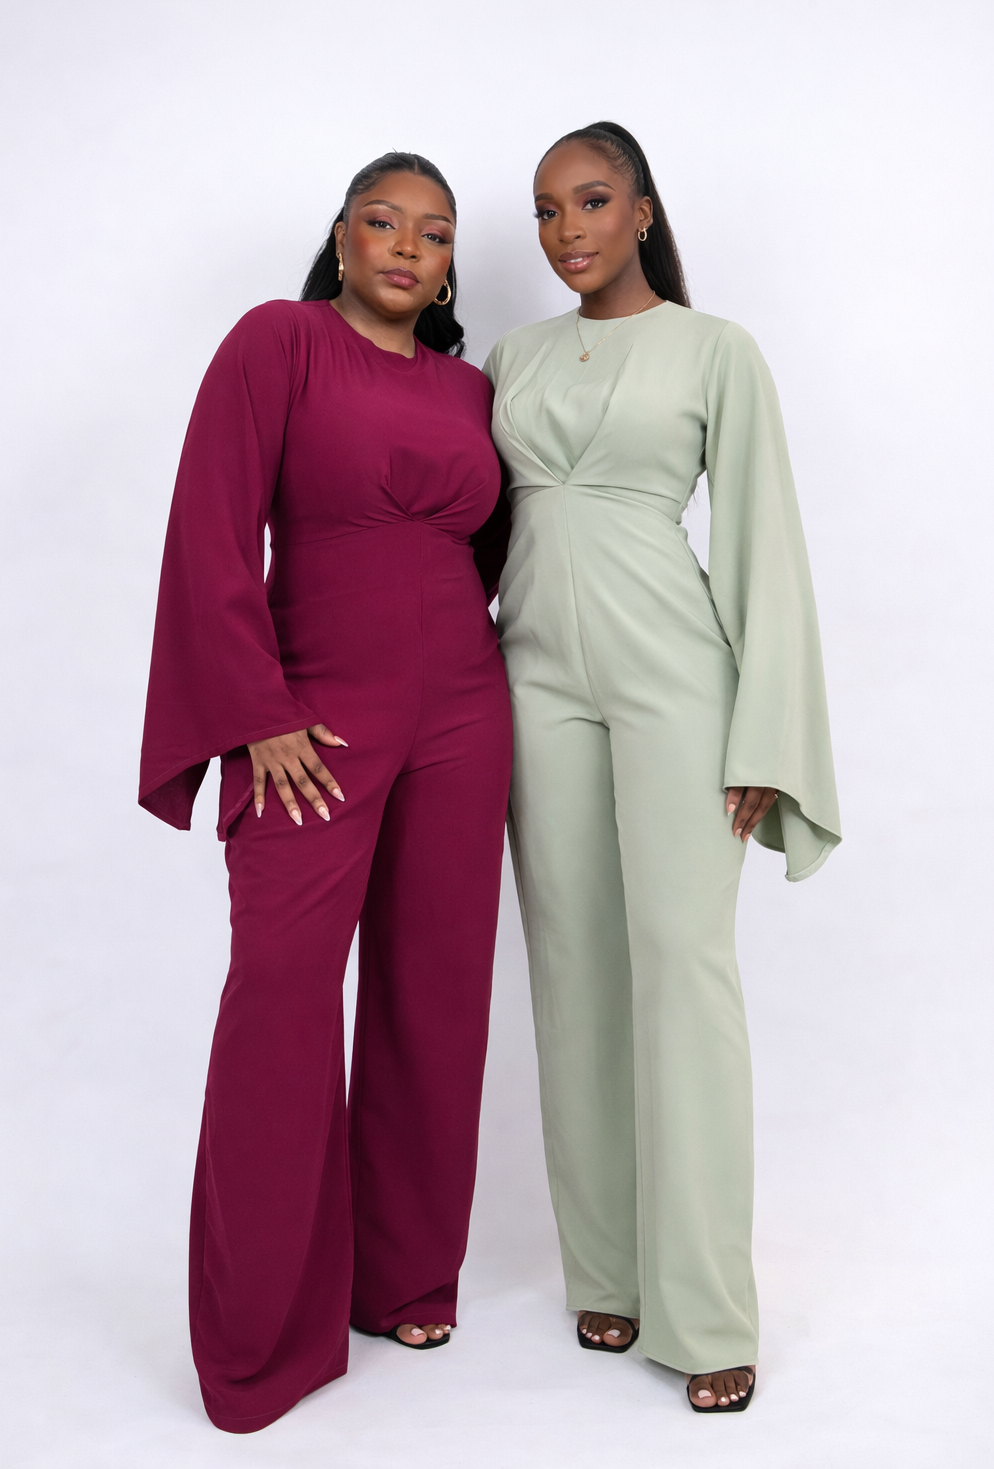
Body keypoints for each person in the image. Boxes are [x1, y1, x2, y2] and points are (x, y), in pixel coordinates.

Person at [139, 152, 512, 1433]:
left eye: (434, 233)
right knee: (282, 1001)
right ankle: (260, 1336)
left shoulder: (469, 389)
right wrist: (255, 711)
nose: (407, 246)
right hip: (312, 724)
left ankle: (404, 1276)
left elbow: (496, 549)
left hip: (464, 714)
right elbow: (211, 525)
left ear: (449, 266)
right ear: (341, 239)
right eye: (382, 222)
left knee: (433, 991)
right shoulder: (279, 344)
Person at [484, 121, 840, 1413]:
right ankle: (610, 1270)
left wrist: (767, 736)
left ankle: (706, 1309)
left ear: (641, 211)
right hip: (533, 678)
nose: (566, 230)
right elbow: (470, 530)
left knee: (683, 971)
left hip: (674, 680)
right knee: (573, 969)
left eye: (590, 201)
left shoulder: (714, 350)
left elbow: (761, 540)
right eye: (545, 210)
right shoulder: (511, 359)